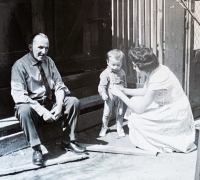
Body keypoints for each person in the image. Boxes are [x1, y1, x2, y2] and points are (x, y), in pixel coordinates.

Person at [11, 33, 86, 166]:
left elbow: (59, 85)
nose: (43, 52)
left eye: (46, 48)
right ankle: (36, 149)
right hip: (33, 106)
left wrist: (59, 105)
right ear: (30, 47)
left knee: (73, 102)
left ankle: (68, 141)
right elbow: (19, 96)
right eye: (40, 47)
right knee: (23, 109)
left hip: (50, 102)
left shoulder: (49, 61)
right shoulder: (20, 66)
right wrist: (42, 111)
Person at [110, 46, 196, 153]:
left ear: (142, 66)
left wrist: (120, 94)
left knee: (137, 119)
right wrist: (123, 90)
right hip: (167, 105)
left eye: (135, 66)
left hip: (175, 112)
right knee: (135, 100)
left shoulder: (158, 78)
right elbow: (145, 91)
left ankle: (160, 140)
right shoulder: (156, 69)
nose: (133, 68)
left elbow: (139, 109)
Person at [98, 49, 127, 137]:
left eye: (118, 65)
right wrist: (103, 94)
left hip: (120, 96)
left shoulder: (122, 72)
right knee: (107, 113)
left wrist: (124, 92)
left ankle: (119, 127)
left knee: (120, 112)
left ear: (121, 63)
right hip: (109, 97)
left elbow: (124, 84)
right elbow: (101, 86)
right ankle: (104, 127)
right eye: (113, 65)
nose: (115, 67)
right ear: (108, 62)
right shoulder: (105, 73)